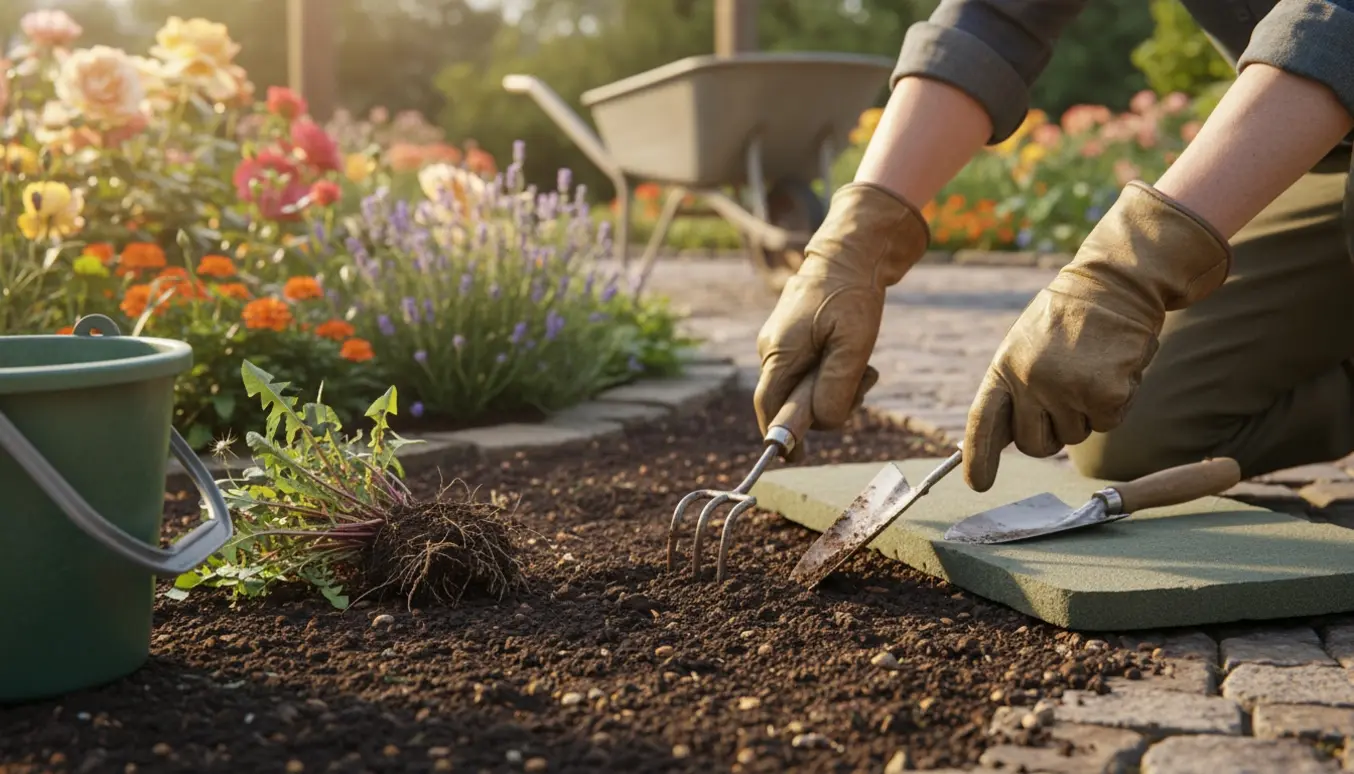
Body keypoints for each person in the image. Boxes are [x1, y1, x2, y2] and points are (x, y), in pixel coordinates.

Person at [753, 0, 1354, 493]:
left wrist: (1127, 270)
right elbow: (997, 16)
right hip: (1331, 144)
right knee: (1134, 429)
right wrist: (855, 240)